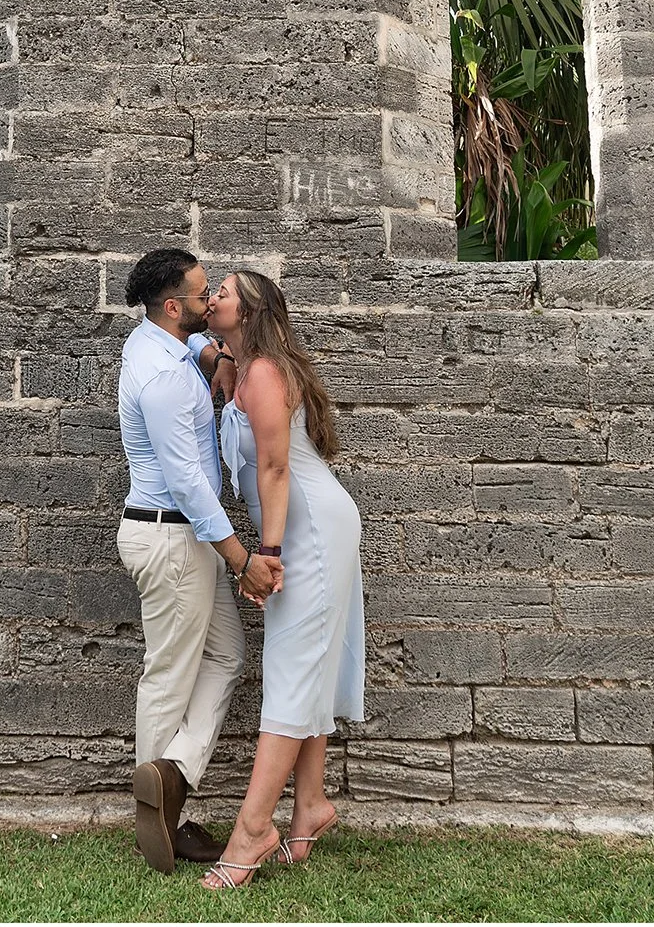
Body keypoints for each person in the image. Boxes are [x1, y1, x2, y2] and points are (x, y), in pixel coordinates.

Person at [117, 247, 284, 874]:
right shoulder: (160, 378)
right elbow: (187, 482)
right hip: (171, 537)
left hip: (186, 539)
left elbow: (189, 350)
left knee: (226, 655)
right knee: (168, 676)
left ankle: (172, 782)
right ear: (172, 307)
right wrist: (242, 559)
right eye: (199, 292)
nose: (207, 299)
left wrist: (215, 357)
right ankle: (160, 820)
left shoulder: (161, 345)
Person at [199, 269, 365, 891]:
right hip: (299, 524)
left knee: (292, 669)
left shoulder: (265, 373)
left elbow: (272, 468)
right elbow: (202, 344)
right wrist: (219, 360)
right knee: (305, 665)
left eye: (224, 290)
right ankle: (312, 805)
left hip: (307, 531)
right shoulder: (243, 365)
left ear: (251, 311)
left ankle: (252, 831)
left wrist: (264, 555)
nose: (211, 296)